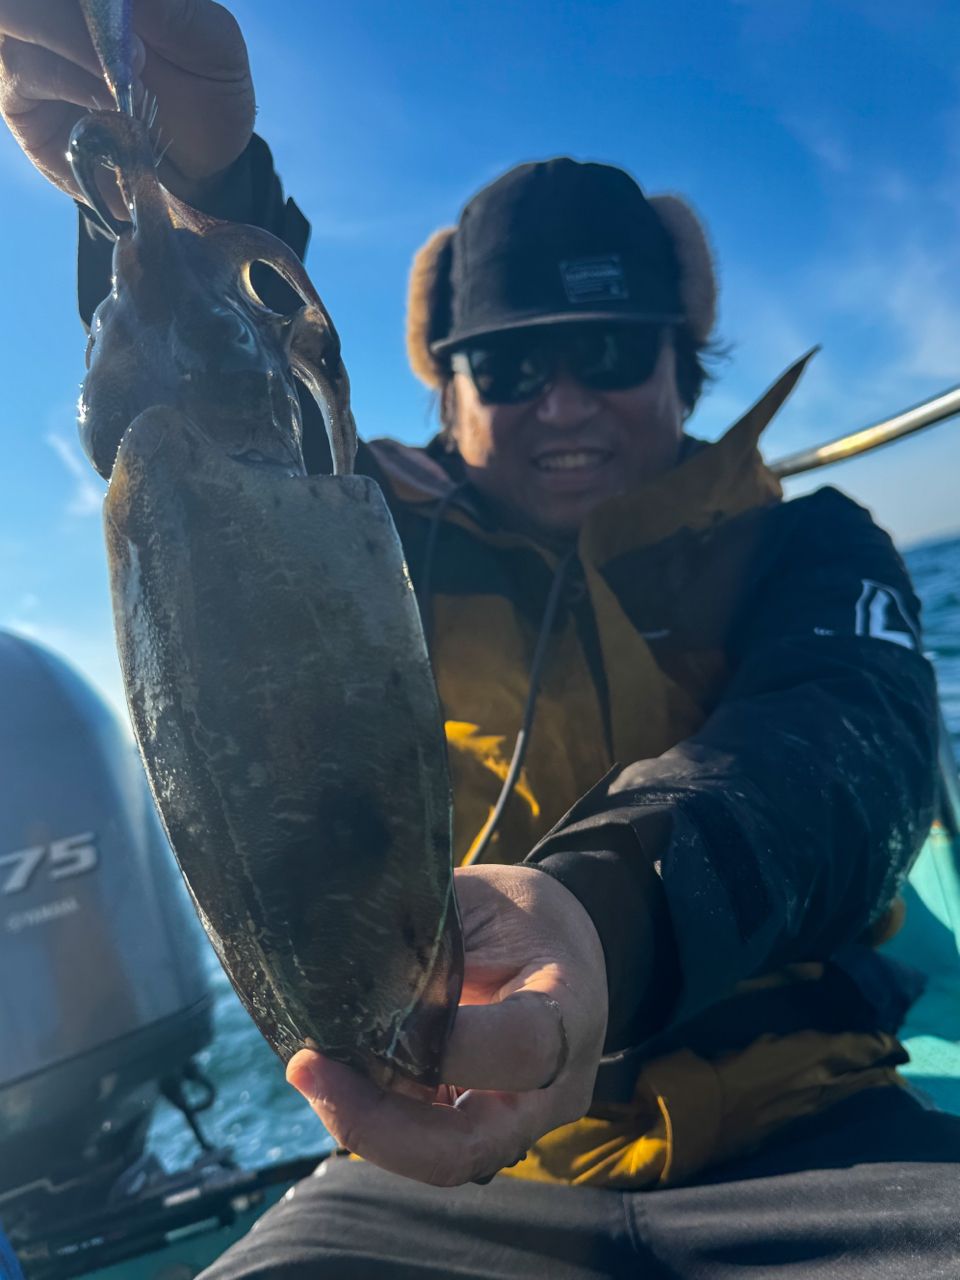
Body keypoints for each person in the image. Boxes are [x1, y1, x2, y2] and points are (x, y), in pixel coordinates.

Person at [3, 4, 960, 1275]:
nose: (563, 401)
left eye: (609, 350)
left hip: (814, 1123)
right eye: (509, 368)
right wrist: (194, 186)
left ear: (687, 363)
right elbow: (206, 438)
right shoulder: (368, 517)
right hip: (434, 1176)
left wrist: (594, 914)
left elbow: (848, 758)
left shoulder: (814, 545)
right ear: (444, 386)